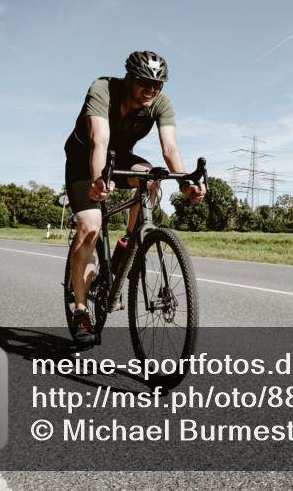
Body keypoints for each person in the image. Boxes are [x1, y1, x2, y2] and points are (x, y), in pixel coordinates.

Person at [64, 50, 206, 345]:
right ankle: (80, 311)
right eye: (144, 82)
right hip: (83, 160)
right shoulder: (103, 89)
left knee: (153, 179)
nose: (151, 90)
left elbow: (170, 150)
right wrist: (97, 180)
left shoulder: (160, 104)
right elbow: (98, 140)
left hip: (121, 158)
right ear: (129, 78)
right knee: (91, 228)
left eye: (158, 85)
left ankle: (129, 241)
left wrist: (185, 183)